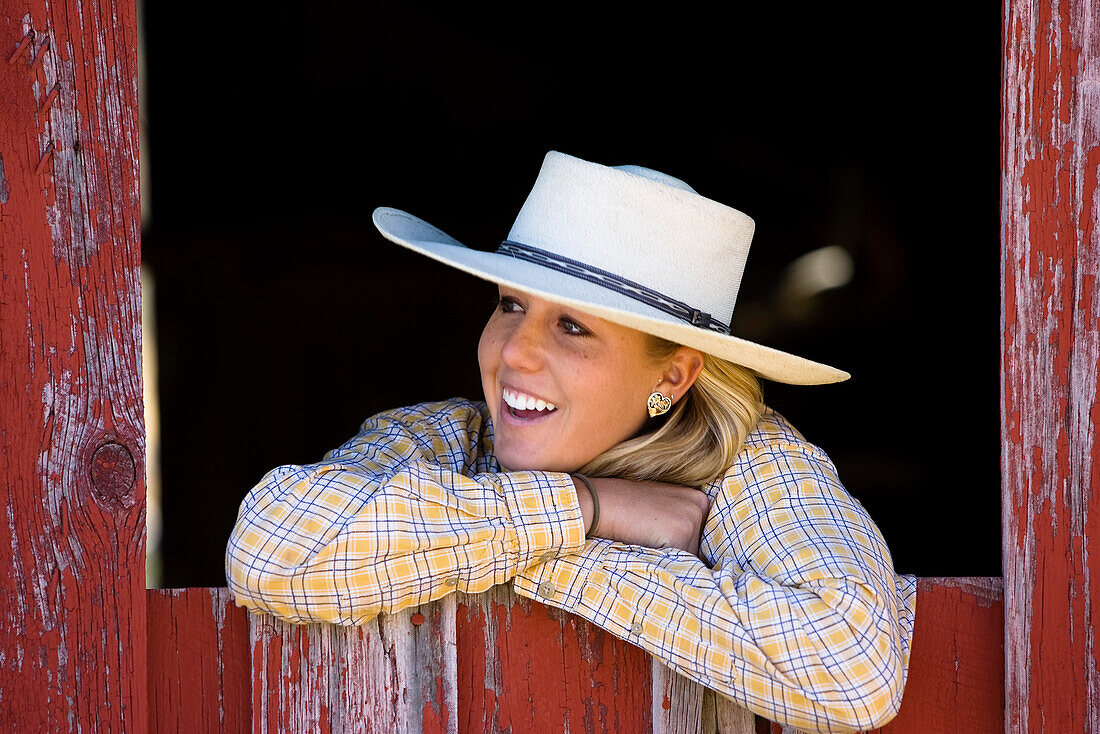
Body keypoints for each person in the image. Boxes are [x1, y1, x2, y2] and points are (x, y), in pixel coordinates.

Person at [225, 151, 915, 732]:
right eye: (509, 304)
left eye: (573, 327)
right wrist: (585, 508)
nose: (514, 352)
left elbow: (852, 670)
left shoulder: (750, 465)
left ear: (673, 376)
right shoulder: (437, 437)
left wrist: (533, 550)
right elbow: (270, 548)